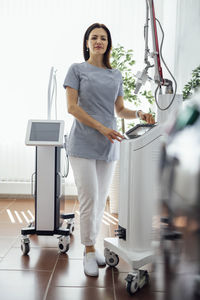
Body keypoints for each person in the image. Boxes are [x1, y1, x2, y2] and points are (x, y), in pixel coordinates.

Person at [63, 23, 155, 277]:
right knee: (89, 197)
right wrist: (102, 128)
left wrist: (138, 112)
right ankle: (89, 251)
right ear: (86, 43)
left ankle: (93, 246)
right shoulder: (77, 70)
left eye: (103, 38)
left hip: (108, 143)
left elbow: (119, 110)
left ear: (108, 44)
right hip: (82, 143)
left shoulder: (115, 75)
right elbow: (72, 108)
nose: (98, 41)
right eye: (94, 37)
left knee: (100, 199)